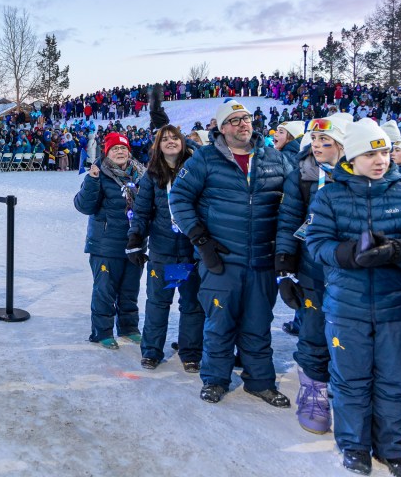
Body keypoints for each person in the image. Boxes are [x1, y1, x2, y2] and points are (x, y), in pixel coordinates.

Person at [307, 119, 401, 477]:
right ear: (353, 157)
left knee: (394, 380)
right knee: (351, 379)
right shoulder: (328, 195)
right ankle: (354, 446)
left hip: (395, 307)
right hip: (347, 306)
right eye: (371, 153)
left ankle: (392, 450)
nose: (381, 160)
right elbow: (316, 244)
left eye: (386, 151)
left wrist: (399, 249)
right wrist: (348, 254)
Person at [169, 99, 292, 407]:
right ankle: (215, 379)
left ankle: (260, 381)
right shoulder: (205, 159)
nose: (243, 124)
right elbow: (180, 198)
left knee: (258, 323)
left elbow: (294, 201)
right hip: (221, 259)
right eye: (234, 120)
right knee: (219, 324)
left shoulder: (274, 158)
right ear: (222, 128)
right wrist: (200, 239)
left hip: (262, 259)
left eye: (246, 118)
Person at [274, 115, 350, 435]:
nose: (318, 146)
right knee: (314, 331)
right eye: (315, 140)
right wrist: (285, 264)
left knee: (349, 336)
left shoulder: (358, 173)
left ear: (342, 145)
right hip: (312, 267)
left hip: (350, 269)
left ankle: (349, 397)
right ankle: (314, 394)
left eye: (326, 141)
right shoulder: (301, 174)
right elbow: (289, 218)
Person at [127, 125, 203, 372]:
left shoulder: (195, 170)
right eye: (165, 139)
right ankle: (151, 351)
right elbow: (141, 211)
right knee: (158, 303)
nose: (170, 142)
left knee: (192, 305)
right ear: (158, 146)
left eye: (175, 138)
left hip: (191, 251)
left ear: (183, 142)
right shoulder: (151, 175)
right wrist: (135, 238)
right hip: (163, 251)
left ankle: (191, 352)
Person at [73, 132, 145, 349]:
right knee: (105, 290)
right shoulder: (99, 174)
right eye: (115, 149)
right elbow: (83, 206)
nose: (120, 152)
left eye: (123, 148)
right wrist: (92, 180)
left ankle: (129, 327)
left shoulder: (141, 174)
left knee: (130, 289)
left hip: (134, 243)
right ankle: (102, 332)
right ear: (107, 153)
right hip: (105, 244)